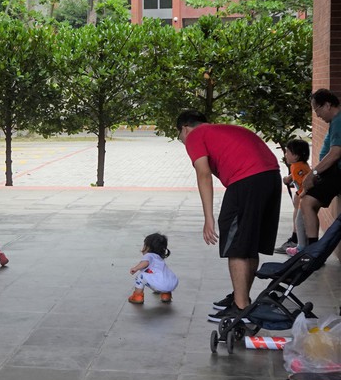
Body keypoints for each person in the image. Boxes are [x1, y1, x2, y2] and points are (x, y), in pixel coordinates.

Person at [176, 110, 281, 323]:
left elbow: (203, 173)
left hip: (247, 180)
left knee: (237, 244)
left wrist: (208, 218)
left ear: (185, 128)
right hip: (271, 177)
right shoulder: (223, 131)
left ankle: (241, 308)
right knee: (248, 243)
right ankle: (241, 298)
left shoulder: (195, 135)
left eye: (180, 135)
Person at [300, 89, 341, 246]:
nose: (317, 115)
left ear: (328, 105)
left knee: (307, 202)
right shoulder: (335, 121)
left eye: (317, 110)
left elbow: (335, 153)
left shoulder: (338, 121)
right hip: (332, 172)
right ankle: (306, 245)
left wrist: (313, 173)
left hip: (336, 172)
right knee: (304, 200)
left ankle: (312, 249)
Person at [128, 233, 179, 304]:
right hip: (172, 283)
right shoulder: (159, 258)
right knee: (163, 275)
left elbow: (145, 262)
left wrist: (136, 268)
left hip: (159, 285)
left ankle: (137, 297)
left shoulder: (149, 255)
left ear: (148, 247)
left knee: (140, 276)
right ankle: (166, 295)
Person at [280, 139, 311, 256]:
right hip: (305, 197)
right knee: (303, 223)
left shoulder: (298, 168)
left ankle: (300, 247)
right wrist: (288, 178)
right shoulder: (298, 165)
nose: (285, 154)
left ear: (296, 156)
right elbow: (297, 177)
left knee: (299, 223)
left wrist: (301, 196)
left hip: (306, 197)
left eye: (288, 152)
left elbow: (305, 184)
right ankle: (304, 245)